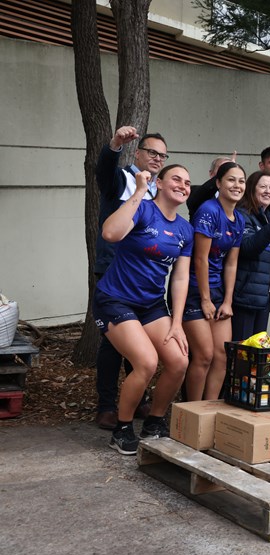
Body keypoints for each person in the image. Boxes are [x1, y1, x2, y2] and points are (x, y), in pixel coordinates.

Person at [93, 165, 193, 454]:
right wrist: (138, 191)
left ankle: (154, 421)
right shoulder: (142, 208)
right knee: (147, 362)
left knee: (178, 362)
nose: (183, 185)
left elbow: (181, 277)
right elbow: (110, 233)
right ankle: (122, 429)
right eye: (176, 178)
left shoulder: (185, 229)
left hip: (151, 305)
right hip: (114, 299)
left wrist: (176, 323)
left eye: (187, 182)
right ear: (159, 183)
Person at [92, 126, 167, 430]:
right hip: (114, 271)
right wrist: (114, 144)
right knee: (113, 344)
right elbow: (103, 172)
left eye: (162, 155)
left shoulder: (159, 189)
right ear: (138, 153)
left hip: (145, 278)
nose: (157, 158)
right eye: (152, 152)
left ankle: (137, 399)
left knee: (140, 341)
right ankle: (107, 406)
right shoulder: (123, 178)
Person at [183, 162, 246, 401]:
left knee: (222, 356)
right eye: (231, 180)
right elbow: (200, 259)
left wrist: (227, 301)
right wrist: (206, 300)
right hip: (194, 289)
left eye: (241, 181)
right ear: (218, 183)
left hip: (219, 292)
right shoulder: (208, 210)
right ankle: (192, 411)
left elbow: (231, 263)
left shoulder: (239, 219)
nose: (237, 185)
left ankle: (209, 410)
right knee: (204, 356)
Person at [231, 171, 270, 341]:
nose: (268, 191)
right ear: (251, 189)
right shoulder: (242, 214)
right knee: (243, 350)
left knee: (257, 351)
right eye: (263, 186)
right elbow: (247, 248)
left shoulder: (269, 216)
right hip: (245, 296)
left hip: (263, 297)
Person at [186, 152, 236, 220]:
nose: (227, 172)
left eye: (230, 170)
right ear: (211, 173)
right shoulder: (195, 191)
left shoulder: (238, 197)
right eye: (222, 168)